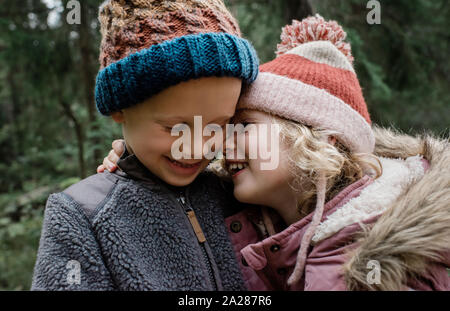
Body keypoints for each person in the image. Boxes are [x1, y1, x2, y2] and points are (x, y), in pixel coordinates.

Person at [100, 15, 450, 291]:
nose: (222, 142)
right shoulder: (271, 226)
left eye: (245, 125)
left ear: (319, 140)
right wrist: (136, 164)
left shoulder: (388, 258)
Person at [31, 0, 259, 290]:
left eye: (218, 125)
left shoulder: (239, 189)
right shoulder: (82, 216)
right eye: (176, 128)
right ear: (120, 108)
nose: (198, 148)